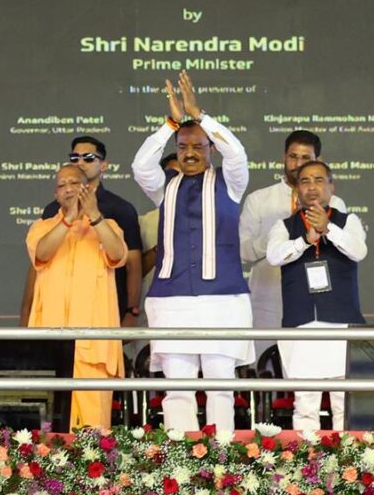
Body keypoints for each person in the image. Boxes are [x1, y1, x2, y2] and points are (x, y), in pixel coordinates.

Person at [132, 71, 253, 432]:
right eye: (183, 146)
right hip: (172, 300)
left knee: (220, 387)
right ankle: (181, 454)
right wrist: (170, 124)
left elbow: (237, 153)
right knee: (178, 389)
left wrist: (201, 117)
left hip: (222, 300)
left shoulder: (231, 184)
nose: (189, 153)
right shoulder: (165, 187)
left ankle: (221, 454)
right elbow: (140, 166)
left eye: (198, 146)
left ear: (210, 150)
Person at [266, 161, 367, 431]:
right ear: (297, 189)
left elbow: (358, 251)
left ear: (332, 186)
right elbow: (274, 256)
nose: (312, 187)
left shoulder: (348, 221)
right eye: (305, 181)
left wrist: (328, 228)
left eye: (319, 180)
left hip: (341, 324)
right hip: (302, 325)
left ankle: (347, 456)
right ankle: (307, 457)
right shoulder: (284, 226)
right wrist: (304, 241)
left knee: (344, 404)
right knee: (305, 405)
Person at [26, 164, 126, 428]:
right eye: (62, 185)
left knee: (92, 435)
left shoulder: (109, 226)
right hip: (51, 345)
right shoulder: (41, 227)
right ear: (55, 194)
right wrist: (68, 219)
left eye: (74, 183)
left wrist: (93, 215)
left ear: (88, 189)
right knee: (49, 432)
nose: (68, 189)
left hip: (93, 346)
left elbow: (117, 254)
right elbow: (42, 253)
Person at [239, 131, 346, 358]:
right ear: (284, 157)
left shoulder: (335, 203)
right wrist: (282, 230)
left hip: (317, 304)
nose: (298, 164)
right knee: (265, 369)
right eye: (293, 157)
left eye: (305, 158)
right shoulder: (259, 199)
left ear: (318, 160)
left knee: (314, 370)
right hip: (268, 302)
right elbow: (243, 252)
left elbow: (342, 250)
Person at [19, 136, 143, 327]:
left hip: (100, 312)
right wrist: (26, 312)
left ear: (103, 165)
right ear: (56, 193)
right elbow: (38, 261)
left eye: (88, 158)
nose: (80, 162)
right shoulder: (49, 216)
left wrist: (132, 311)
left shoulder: (119, 210)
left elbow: (130, 262)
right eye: (75, 158)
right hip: (52, 320)